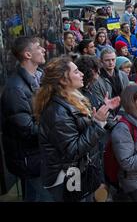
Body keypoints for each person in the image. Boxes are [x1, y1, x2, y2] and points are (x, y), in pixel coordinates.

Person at [36, 57, 114, 202]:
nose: (82, 74)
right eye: (76, 72)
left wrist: (99, 118)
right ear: (63, 80)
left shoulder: (74, 99)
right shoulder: (57, 112)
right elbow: (73, 150)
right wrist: (97, 123)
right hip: (68, 177)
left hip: (81, 173)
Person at [0, 37, 51, 201]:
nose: (43, 50)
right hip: (30, 158)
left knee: (33, 195)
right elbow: (27, 130)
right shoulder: (15, 90)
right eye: (38, 47)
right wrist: (57, 128)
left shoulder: (41, 76)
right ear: (28, 54)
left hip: (41, 154)